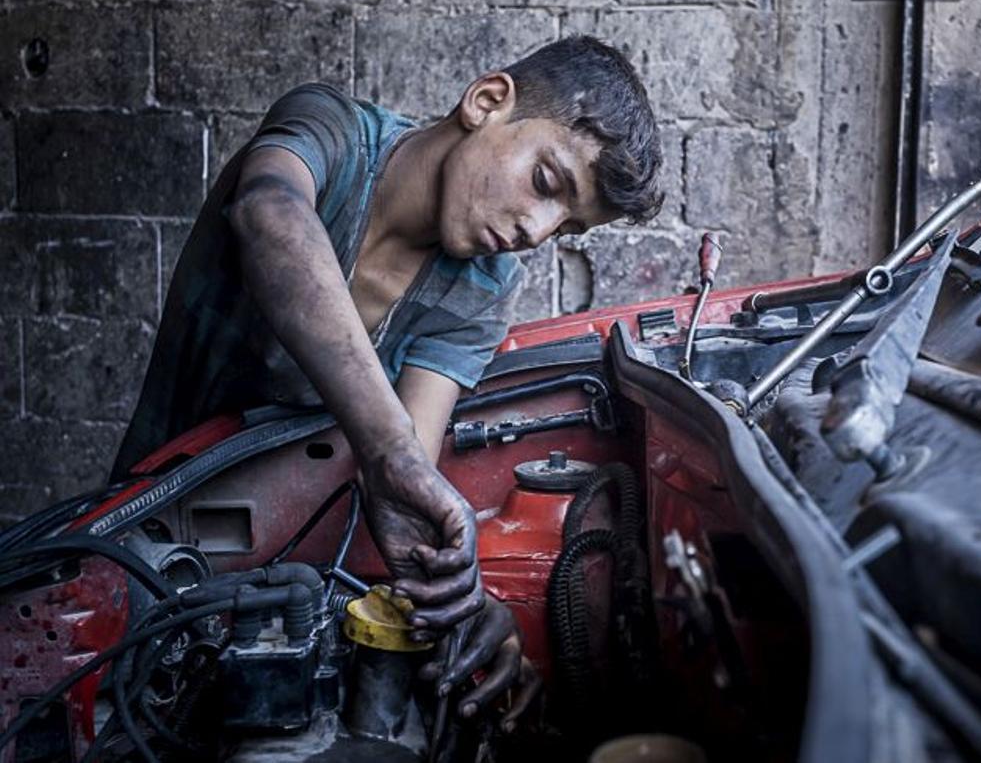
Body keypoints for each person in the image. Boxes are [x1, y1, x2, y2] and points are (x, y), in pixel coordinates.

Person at [110, 35, 663, 720]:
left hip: (286, 577)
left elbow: (406, 469)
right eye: (547, 183)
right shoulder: (332, 134)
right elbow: (270, 214)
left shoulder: (483, 287)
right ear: (487, 102)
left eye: (566, 227)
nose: (537, 228)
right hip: (147, 526)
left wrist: (465, 605)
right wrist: (389, 449)